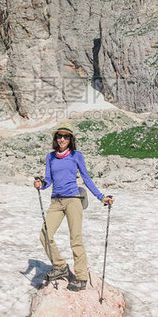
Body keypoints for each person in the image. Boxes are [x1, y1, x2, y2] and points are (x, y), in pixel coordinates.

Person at [34, 124, 114, 291]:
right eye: (59, 136)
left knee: (75, 239)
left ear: (71, 139)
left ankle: (81, 276)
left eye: (66, 136)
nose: (62, 139)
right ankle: (60, 266)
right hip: (56, 202)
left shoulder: (77, 156)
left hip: (73, 200)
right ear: (55, 139)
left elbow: (86, 177)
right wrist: (41, 184)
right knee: (44, 235)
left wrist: (101, 197)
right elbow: (48, 180)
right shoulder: (50, 157)